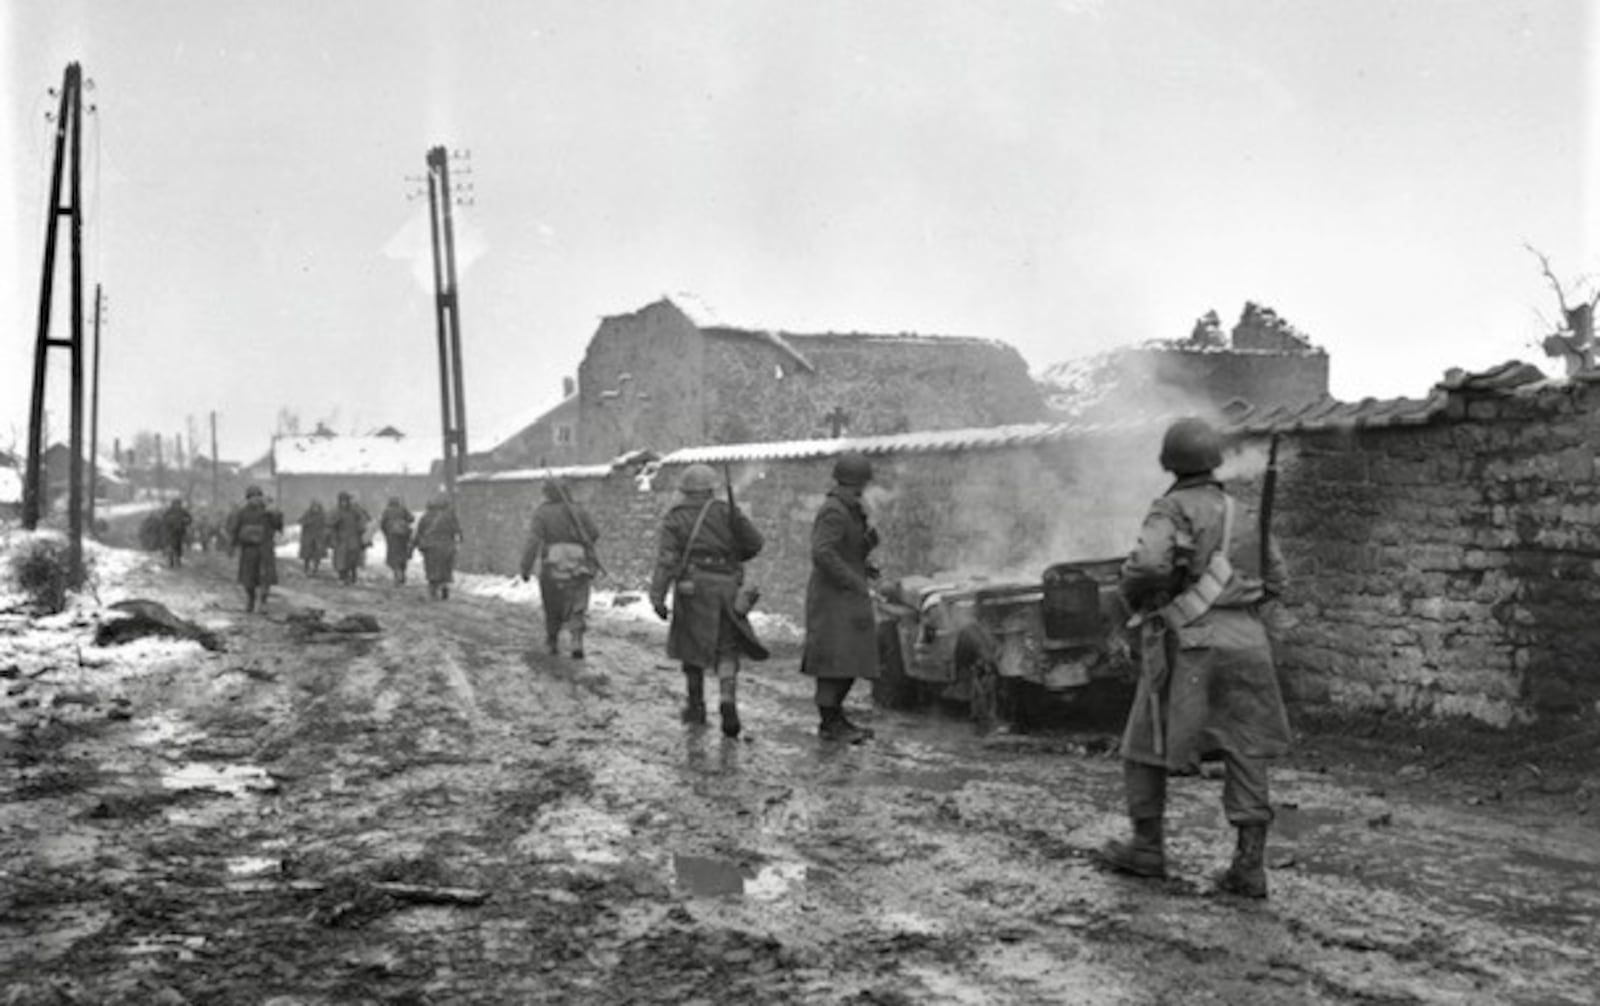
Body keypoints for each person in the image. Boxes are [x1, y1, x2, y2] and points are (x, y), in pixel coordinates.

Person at [1098, 417, 1292, 899]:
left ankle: (1147, 848)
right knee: (1245, 748)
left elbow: (1146, 565)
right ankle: (1249, 866)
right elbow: (1278, 578)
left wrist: (1134, 596)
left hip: (1188, 641)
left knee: (1145, 741)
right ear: (1215, 460)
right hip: (1247, 639)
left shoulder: (1171, 507)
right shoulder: (1241, 512)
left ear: (1169, 462)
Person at [648, 463, 766, 739]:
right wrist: (733, 552)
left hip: (692, 590)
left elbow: (666, 560)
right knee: (726, 649)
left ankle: (696, 706)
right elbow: (755, 544)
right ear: (711, 488)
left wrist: (657, 596)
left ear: (686, 490)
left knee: (692, 649)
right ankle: (727, 700)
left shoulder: (675, 518)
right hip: (726, 588)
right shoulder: (727, 512)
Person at [800, 452, 883, 744]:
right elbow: (822, 552)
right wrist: (852, 579)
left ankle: (836, 718)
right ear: (853, 483)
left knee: (850, 659)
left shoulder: (849, 509)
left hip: (845, 596)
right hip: (833, 598)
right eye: (859, 486)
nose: (861, 491)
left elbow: (843, 551)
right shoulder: (835, 510)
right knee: (834, 660)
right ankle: (830, 722)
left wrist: (864, 560)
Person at [520, 479, 601, 657]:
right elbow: (594, 533)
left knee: (552, 602)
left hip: (553, 564)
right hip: (579, 563)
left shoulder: (542, 513)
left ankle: (552, 640)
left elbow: (533, 541)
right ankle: (576, 640)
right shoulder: (579, 510)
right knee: (578, 602)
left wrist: (526, 567)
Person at [225, 486, 284, 613]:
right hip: (249, 549)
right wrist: (231, 546)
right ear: (248, 498)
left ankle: (263, 601)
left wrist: (275, 513)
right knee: (248, 579)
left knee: (265, 577)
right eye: (252, 496)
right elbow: (234, 529)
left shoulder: (268, 511)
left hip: (265, 548)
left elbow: (278, 525)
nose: (255, 499)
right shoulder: (242, 512)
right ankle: (251, 599)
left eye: (258, 496)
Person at [414, 493, 464, 600]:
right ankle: (445, 584)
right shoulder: (450, 516)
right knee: (446, 567)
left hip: (430, 546)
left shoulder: (426, 517)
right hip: (447, 545)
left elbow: (419, 532)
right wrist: (459, 541)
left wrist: (414, 545)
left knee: (431, 567)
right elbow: (457, 530)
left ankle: (433, 587)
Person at [327, 491, 371, 585]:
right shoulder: (336, 511)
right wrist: (332, 537)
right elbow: (330, 524)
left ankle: (353, 575)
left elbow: (362, 519)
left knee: (353, 559)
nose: (344, 503)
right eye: (342, 501)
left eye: (345, 501)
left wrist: (361, 528)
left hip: (353, 538)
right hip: (341, 539)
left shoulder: (354, 510)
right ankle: (343, 576)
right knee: (341, 560)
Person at [380, 496, 416, 585]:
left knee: (393, 556)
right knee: (403, 554)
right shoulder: (403, 509)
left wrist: (386, 533)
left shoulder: (387, 511)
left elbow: (382, 523)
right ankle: (402, 572)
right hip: (404, 535)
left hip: (392, 536)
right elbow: (411, 519)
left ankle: (397, 572)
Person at [298, 500, 329, 576]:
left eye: (317, 507)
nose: (315, 508)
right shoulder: (308, 514)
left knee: (317, 554)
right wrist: (307, 522)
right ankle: (306, 568)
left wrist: (325, 533)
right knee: (307, 554)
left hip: (318, 537)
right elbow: (300, 521)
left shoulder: (322, 515)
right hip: (308, 537)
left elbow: (327, 523)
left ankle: (315, 568)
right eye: (314, 507)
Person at [160, 498, 193, 569]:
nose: (177, 506)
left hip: (180, 532)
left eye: (178, 504)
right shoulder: (169, 511)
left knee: (178, 546)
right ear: (173, 504)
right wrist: (169, 522)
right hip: (170, 532)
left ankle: (178, 559)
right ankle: (171, 560)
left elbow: (190, 519)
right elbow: (164, 520)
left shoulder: (183, 511)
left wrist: (185, 521)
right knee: (171, 545)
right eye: (176, 504)